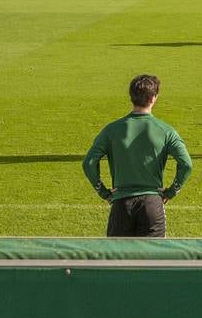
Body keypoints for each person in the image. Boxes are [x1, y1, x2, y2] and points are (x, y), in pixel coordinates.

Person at [82, 73, 193, 238]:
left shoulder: (111, 130)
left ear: (131, 97)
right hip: (152, 205)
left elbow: (89, 163)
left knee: (118, 261)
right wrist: (171, 192)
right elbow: (186, 164)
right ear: (153, 98)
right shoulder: (166, 130)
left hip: (121, 204)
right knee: (152, 261)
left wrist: (104, 192)